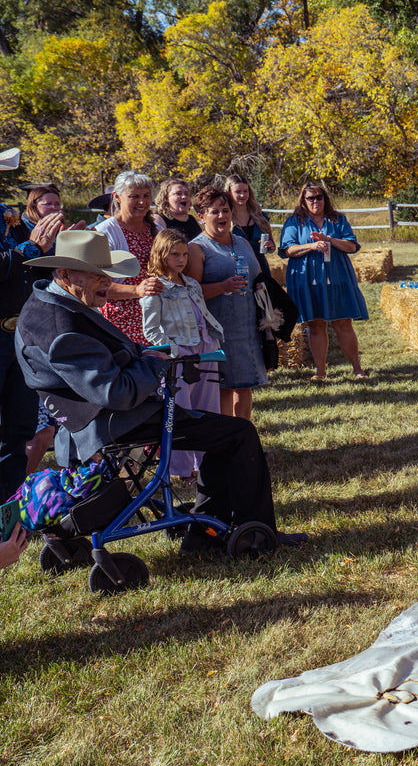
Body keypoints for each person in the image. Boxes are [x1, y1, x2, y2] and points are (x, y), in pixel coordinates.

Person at [15, 229, 306, 554]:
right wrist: (152, 363)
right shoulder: (62, 326)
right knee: (239, 433)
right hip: (117, 421)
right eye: (98, 275)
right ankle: (250, 533)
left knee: (224, 433)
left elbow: (107, 363)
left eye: (107, 274)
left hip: (104, 418)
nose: (107, 282)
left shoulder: (46, 303)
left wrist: (144, 354)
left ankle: (205, 531)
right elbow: (117, 392)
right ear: (65, 274)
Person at [141, 229, 223, 476]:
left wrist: (212, 339)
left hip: (205, 348)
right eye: (174, 254)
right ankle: (182, 469)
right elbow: (150, 329)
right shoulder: (156, 287)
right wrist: (174, 350)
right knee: (179, 410)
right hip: (179, 354)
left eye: (185, 254)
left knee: (208, 407)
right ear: (161, 254)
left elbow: (201, 314)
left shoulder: (192, 283)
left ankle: (207, 464)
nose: (181, 259)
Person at [0, 190, 61, 500]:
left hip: (19, 336)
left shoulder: (8, 216)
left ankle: (7, 510)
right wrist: (32, 247)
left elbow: (27, 271)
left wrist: (56, 253)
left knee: (20, 428)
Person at [189, 185, 270, 415]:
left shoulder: (242, 242)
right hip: (217, 330)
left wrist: (261, 286)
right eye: (214, 212)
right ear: (201, 217)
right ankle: (227, 434)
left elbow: (256, 273)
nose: (222, 216)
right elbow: (191, 293)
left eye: (225, 210)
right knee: (223, 388)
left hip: (247, 327)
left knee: (245, 385)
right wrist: (223, 287)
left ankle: (244, 432)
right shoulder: (196, 248)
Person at [280, 182, 369, 382]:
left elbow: (351, 246)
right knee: (316, 324)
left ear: (325, 198)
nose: (315, 201)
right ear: (303, 200)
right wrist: (312, 245)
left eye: (319, 197)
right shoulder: (295, 222)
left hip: (337, 277)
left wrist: (330, 240)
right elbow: (288, 249)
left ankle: (357, 368)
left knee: (343, 323)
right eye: (310, 198)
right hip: (307, 279)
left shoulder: (337, 219)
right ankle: (320, 371)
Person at [95, 171, 165, 345]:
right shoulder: (104, 233)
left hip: (158, 321)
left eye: (146, 195)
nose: (142, 202)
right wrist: (136, 291)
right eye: (134, 196)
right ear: (117, 197)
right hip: (122, 322)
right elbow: (94, 285)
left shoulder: (157, 231)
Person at [225, 173, 277, 259]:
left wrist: (270, 247)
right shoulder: (224, 218)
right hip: (235, 265)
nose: (242, 195)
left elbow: (272, 247)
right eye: (238, 192)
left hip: (260, 265)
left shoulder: (260, 216)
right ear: (229, 193)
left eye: (245, 191)